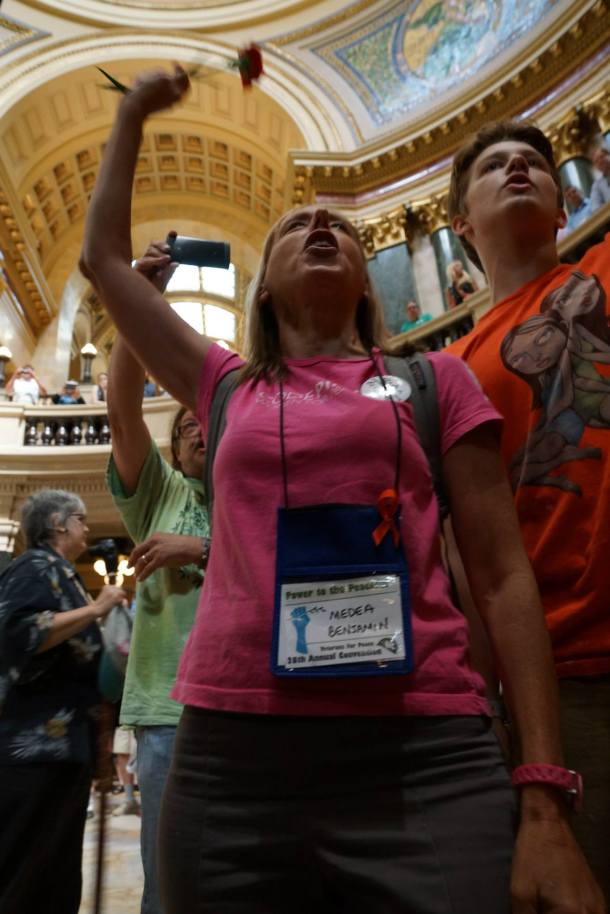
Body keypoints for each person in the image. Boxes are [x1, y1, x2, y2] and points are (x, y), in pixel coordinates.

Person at [80, 65, 603, 914]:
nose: (322, 221)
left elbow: (504, 577)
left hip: (426, 746)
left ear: (367, 278)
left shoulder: (436, 379)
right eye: (296, 225)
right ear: (263, 285)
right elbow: (103, 260)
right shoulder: (224, 386)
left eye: (338, 225)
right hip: (234, 755)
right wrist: (134, 115)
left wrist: (541, 790)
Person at [446, 119, 610, 902]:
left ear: (565, 202)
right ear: (458, 223)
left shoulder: (605, 266)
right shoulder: (445, 374)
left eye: (535, 164)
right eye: (495, 166)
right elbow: (466, 559)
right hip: (566, 677)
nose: (518, 169)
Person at [105, 244, 209, 914]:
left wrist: (194, 547)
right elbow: (120, 405)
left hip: (247, 705)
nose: (201, 425)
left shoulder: (253, 491)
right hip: (168, 712)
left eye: (211, 418)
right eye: (188, 424)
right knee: (169, 884)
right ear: (174, 448)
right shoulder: (158, 494)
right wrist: (137, 299)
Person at [0, 490, 125, 914]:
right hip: (34, 748)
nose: (87, 528)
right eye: (80, 519)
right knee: (27, 868)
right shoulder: (34, 566)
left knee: (53, 869)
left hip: (64, 747)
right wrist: (97, 610)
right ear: (58, 523)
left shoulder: (61, 572)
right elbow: (19, 634)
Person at [590, 146, 610, 211]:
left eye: (601, 157)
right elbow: (595, 207)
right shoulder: (596, 185)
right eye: (596, 161)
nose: (600, 161)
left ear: (608, 156)